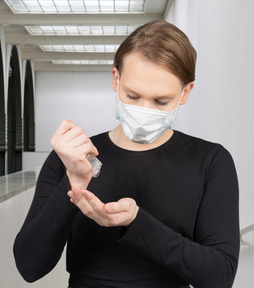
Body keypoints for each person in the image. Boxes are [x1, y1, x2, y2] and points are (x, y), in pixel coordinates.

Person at [13, 21, 240, 288]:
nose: (144, 111)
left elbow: (219, 276)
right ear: (116, 79)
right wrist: (72, 183)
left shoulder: (211, 161)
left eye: (160, 101)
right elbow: (29, 266)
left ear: (185, 92)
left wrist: (137, 222)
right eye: (132, 96)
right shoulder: (72, 158)